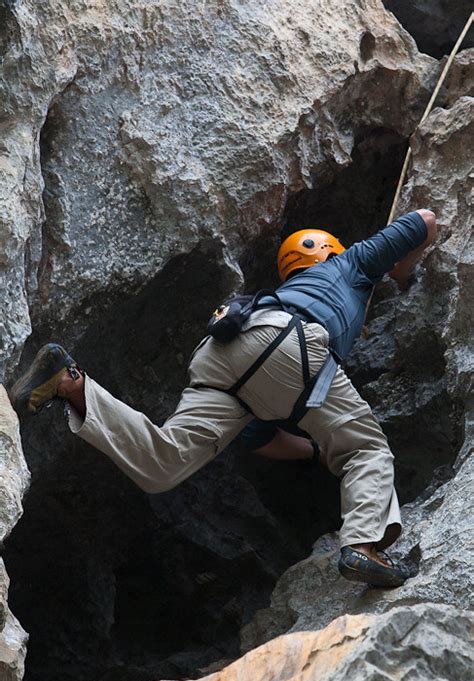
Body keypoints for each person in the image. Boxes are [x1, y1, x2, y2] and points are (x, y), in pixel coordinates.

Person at [10, 209, 436, 587]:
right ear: (329, 250)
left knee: (164, 464)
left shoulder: (291, 287)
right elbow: (425, 221)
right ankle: (363, 546)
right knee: (365, 449)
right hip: (288, 343)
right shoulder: (353, 262)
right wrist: (399, 269)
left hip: (225, 349)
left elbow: (257, 438)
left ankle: (72, 383)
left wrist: (312, 450)